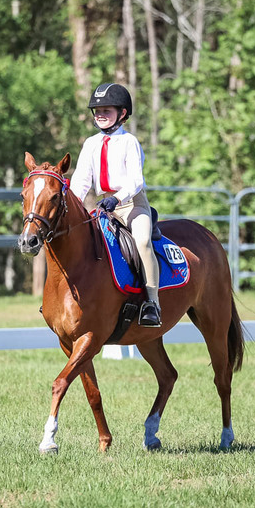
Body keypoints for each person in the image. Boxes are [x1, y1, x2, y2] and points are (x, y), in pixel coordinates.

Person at [70, 82, 161, 327]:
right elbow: (81, 180)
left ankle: (152, 303)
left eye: (106, 111)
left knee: (142, 241)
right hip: (104, 206)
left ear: (122, 113)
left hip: (132, 203)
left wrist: (117, 198)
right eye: (97, 111)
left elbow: (136, 180)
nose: (100, 115)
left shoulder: (129, 142)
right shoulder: (90, 143)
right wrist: (71, 205)